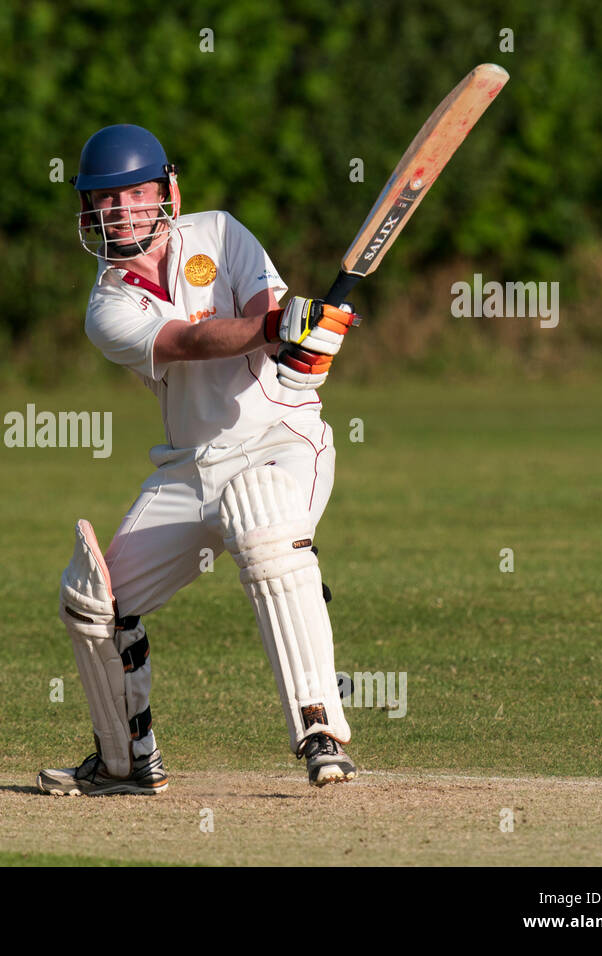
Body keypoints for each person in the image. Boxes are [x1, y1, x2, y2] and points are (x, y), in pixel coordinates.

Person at [38, 125, 360, 795]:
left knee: (262, 523)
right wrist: (279, 330)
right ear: (88, 211)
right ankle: (126, 763)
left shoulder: (220, 233)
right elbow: (189, 340)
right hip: (192, 465)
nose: (119, 210)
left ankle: (320, 731)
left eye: (133, 193)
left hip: (281, 439)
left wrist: (302, 340)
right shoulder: (108, 307)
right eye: (103, 199)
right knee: (94, 601)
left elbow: (265, 314)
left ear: (166, 191)